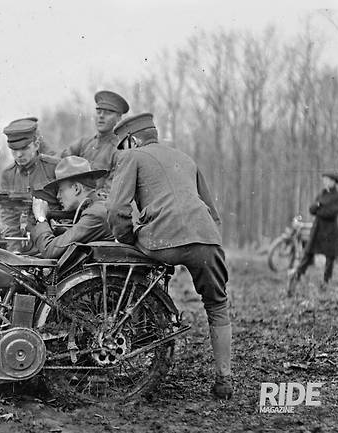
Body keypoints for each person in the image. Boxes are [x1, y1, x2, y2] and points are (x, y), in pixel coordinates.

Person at [106, 112, 233, 400]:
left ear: (131, 140)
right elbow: (213, 213)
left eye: (123, 145)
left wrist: (128, 238)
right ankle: (224, 380)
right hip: (206, 239)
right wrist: (208, 239)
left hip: (162, 240)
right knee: (217, 305)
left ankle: (145, 325)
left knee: (133, 268)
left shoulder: (132, 157)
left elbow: (115, 210)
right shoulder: (185, 158)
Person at [28, 156, 114, 259]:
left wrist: (41, 219)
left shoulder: (95, 214)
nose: (58, 196)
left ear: (76, 188)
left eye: (61, 190)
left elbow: (49, 250)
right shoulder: (97, 207)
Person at [0, 117, 59, 252]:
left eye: (24, 148)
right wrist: (14, 252)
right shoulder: (8, 175)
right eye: (14, 150)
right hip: (25, 248)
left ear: (36, 145)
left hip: (51, 243)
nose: (19, 155)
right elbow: (9, 218)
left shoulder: (54, 167)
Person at [62, 90, 129, 197]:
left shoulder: (120, 150)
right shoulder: (84, 143)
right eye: (99, 112)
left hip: (99, 204)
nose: (101, 116)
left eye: (108, 113)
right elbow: (61, 162)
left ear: (119, 118)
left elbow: (110, 191)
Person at [288, 172, 338, 292]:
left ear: (334, 182)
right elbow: (311, 209)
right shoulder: (321, 193)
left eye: (327, 180)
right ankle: (296, 277)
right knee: (308, 254)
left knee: (330, 257)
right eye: (324, 179)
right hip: (317, 229)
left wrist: (319, 207)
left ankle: (326, 283)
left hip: (330, 231)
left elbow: (331, 213)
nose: (325, 182)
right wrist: (318, 207)